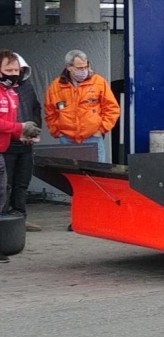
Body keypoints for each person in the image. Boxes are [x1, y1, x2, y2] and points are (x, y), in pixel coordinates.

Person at [0, 49, 41, 263]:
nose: (14, 74)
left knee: (16, 187)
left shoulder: (17, 90)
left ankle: (13, 228)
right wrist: (19, 128)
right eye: (9, 70)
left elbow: (34, 111)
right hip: (5, 148)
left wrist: (30, 131)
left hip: (13, 145)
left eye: (17, 70)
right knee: (2, 191)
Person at [44, 50, 120, 163]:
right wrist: (57, 132)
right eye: (80, 68)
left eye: (86, 66)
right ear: (69, 67)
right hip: (67, 140)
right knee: (71, 175)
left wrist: (102, 129)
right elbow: (50, 112)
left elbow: (112, 108)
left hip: (93, 138)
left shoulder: (98, 82)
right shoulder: (56, 87)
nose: (84, 70)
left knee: (96, 174)